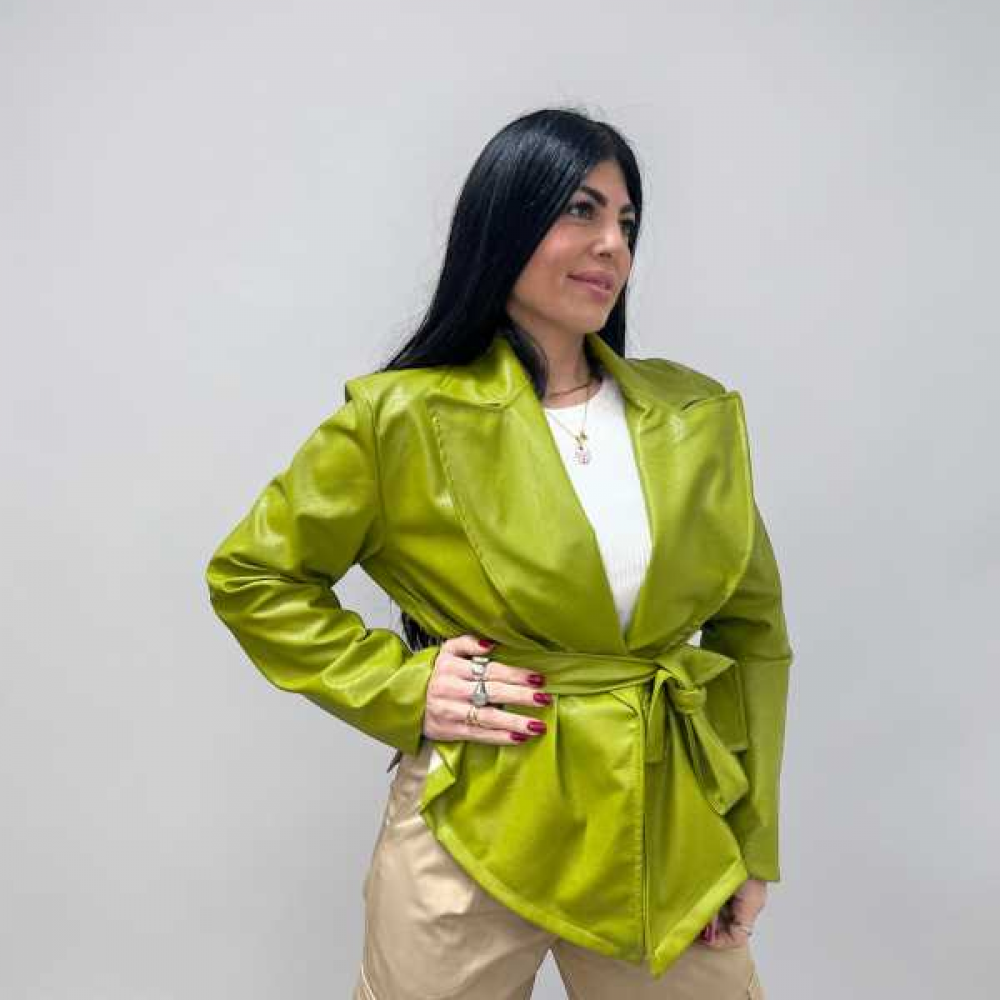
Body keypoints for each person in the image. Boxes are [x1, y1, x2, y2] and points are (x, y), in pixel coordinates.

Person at [204, 107, 793, 999]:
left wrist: (751, 838)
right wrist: (404, 686)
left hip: (665, 824)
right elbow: (254, 575)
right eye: (581, 210)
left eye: (626, 221)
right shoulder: (401, 418)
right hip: (468, 819)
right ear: (505, 223)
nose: (612, 245)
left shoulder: (694, 418)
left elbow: (755, 636)